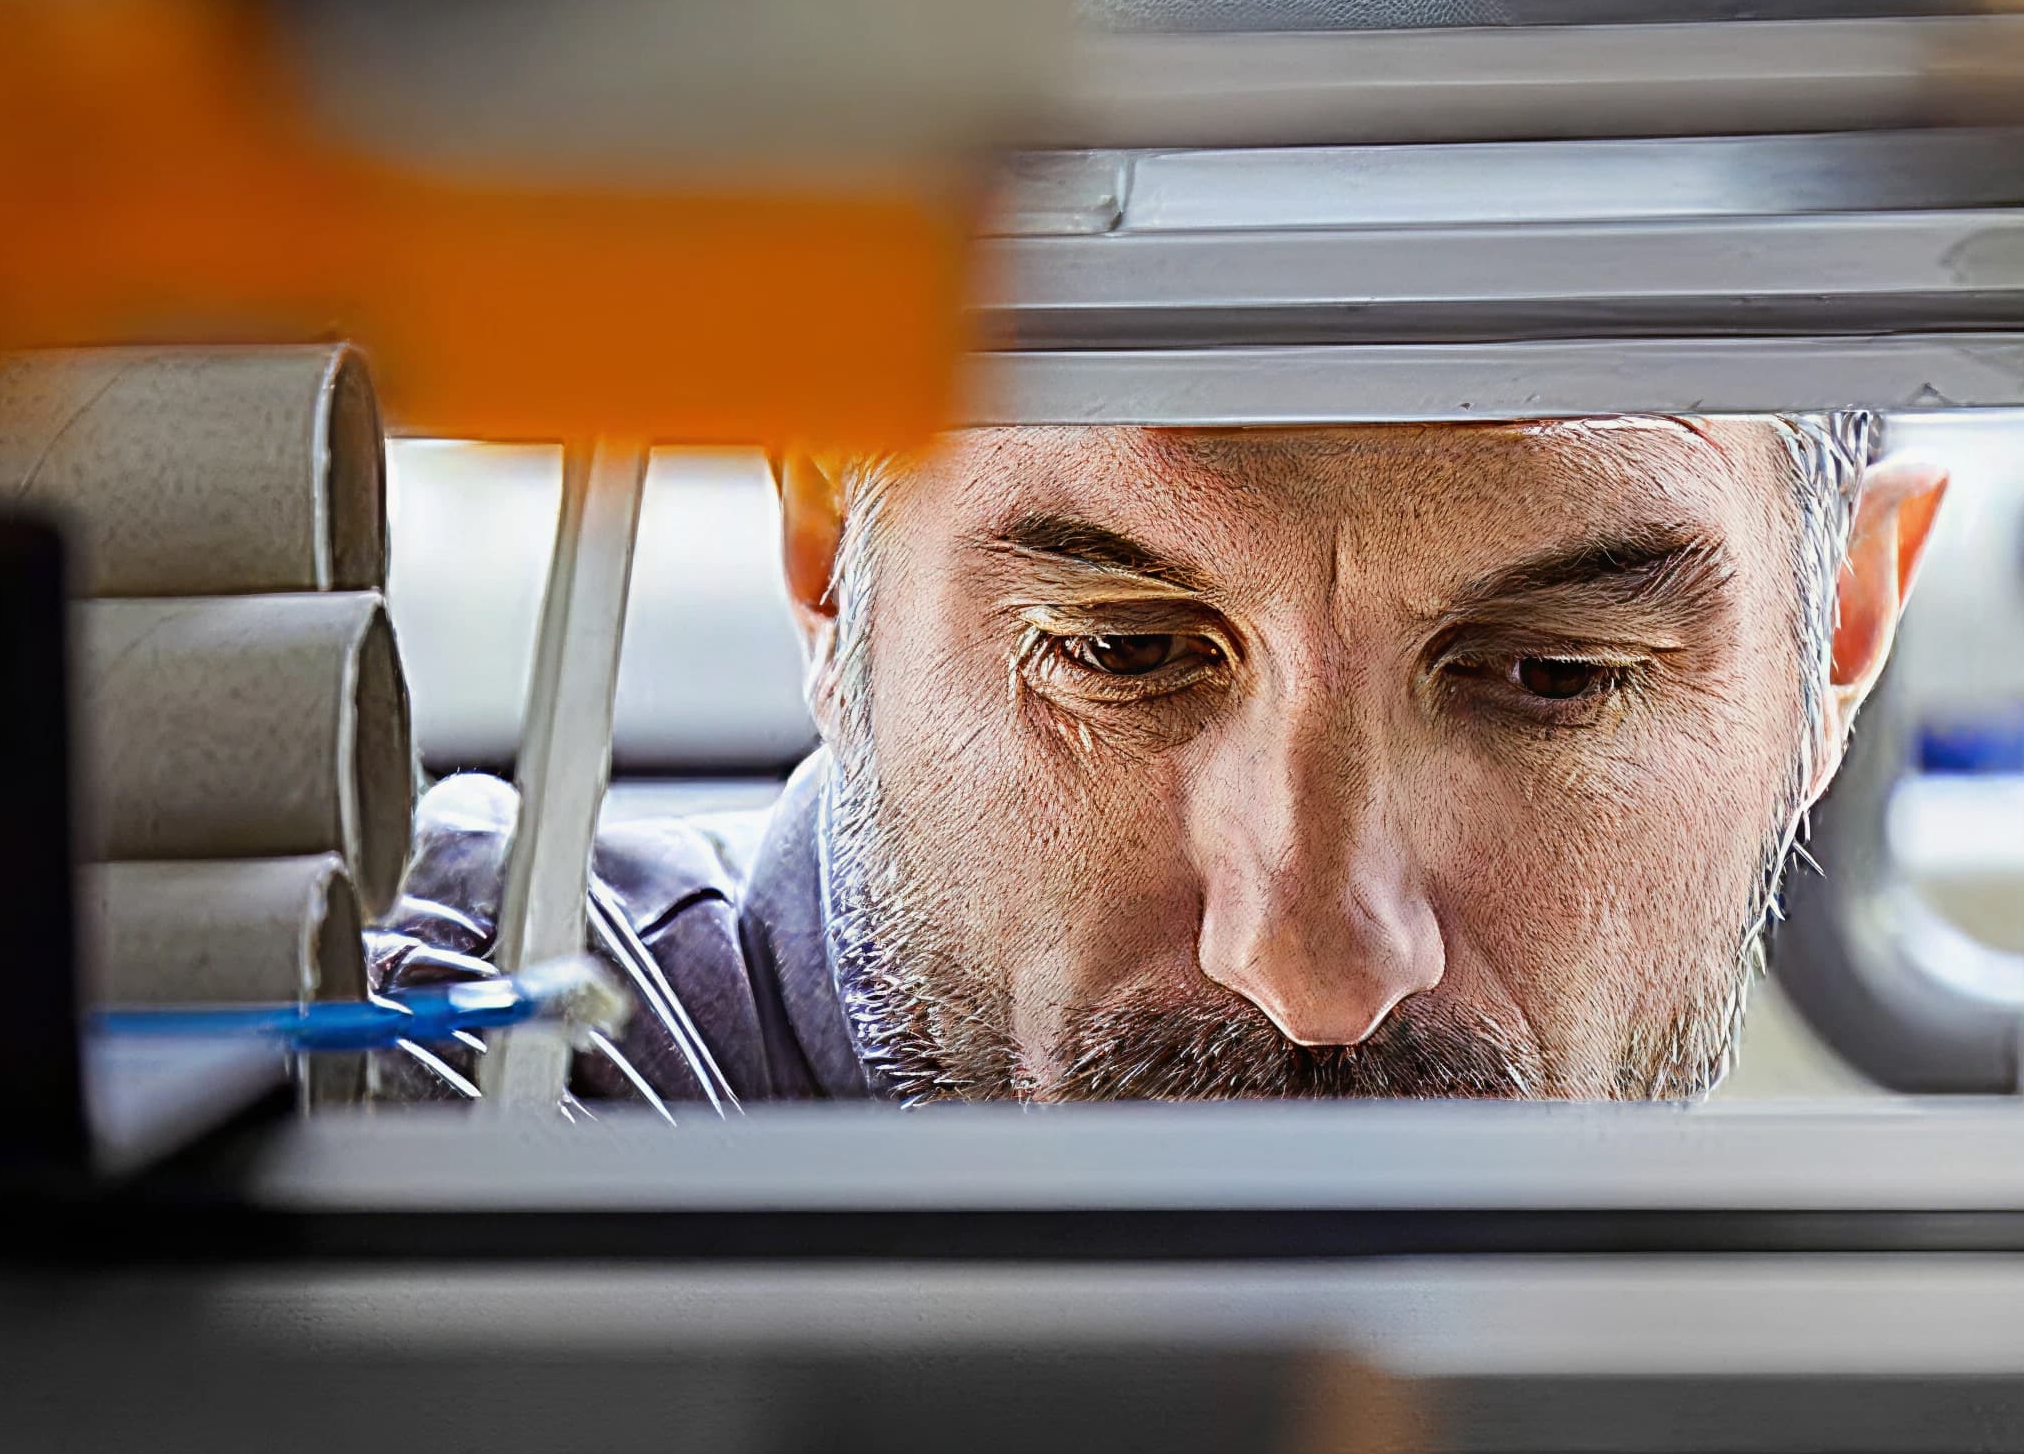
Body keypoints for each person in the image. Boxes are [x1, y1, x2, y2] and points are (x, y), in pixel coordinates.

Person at [369, 414, 1944, 1105]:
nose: (1316, 969)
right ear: (830, 554)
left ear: (1839, 640)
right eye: (1123, 653)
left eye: (1554, 676)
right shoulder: (450, 1084)